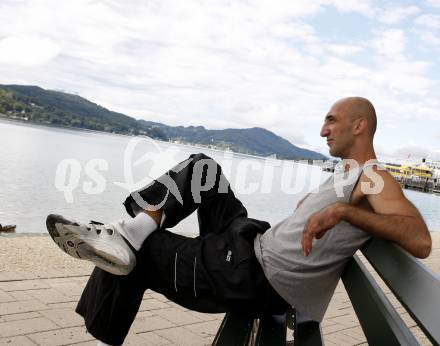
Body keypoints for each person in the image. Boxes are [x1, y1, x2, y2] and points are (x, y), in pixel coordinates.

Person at [46, 97, 432, 346]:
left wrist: (344, 211)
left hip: (251, 275)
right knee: (203, 169)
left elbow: (419, 239)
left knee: (137, 253)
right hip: (249, 245)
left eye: (331, 120)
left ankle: (128, 242)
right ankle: (131, 230)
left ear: (360, 125)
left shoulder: (373, 177)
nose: (322, 130)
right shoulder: (347, 175)